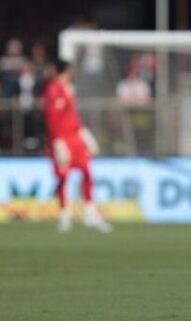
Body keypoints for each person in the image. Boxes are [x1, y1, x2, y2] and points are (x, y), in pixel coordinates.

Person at [42, 59, 112, 233]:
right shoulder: (53, 90)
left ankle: (90, 212)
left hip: (75, 138)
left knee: (87, 173)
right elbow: (52, 119)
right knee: (63, 178)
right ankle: (64, 216)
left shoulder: (68, 89)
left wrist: (84, 134)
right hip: (62, 140)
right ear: (64, 71)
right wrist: (58, 142)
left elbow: (71, 115)